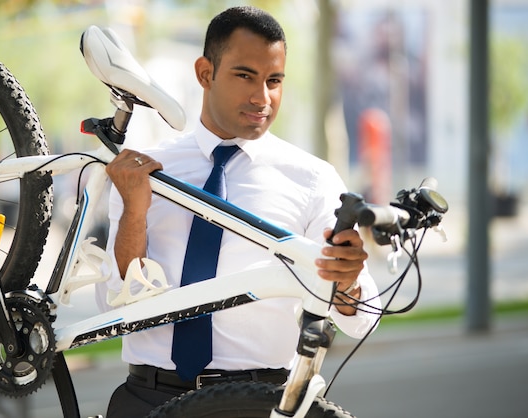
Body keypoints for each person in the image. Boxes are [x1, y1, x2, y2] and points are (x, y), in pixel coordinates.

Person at [96, 6, 381, 417]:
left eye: (274, 81)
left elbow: (361, 320)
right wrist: (135, 214)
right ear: (205, 73)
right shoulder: (145, 171)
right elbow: (114, 307)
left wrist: (348, 283)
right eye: (245, 76)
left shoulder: (312, 178)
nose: (261, 97)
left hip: (259, 403)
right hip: (149, 398)